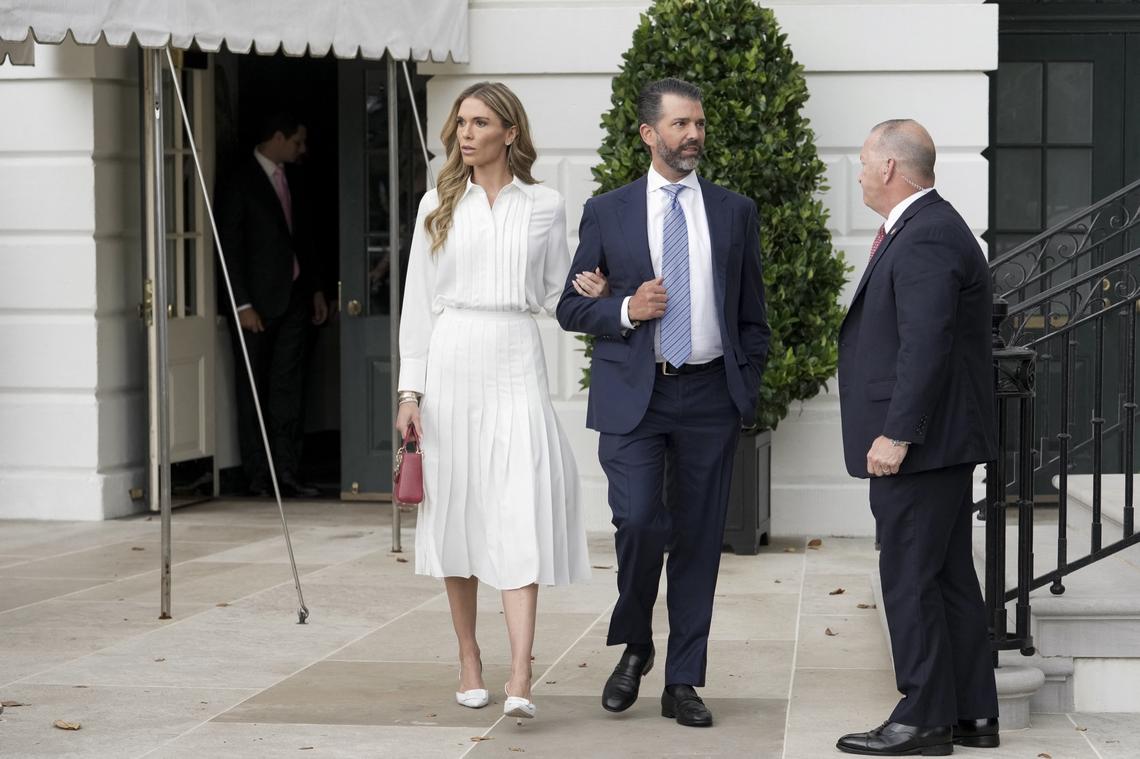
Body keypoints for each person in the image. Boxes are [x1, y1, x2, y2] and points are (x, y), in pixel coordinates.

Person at [556, 77, 770, 728]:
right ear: (650, 133)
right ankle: (637, 641)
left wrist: (746, 381)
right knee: (640, 521)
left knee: (701, 541)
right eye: (681, 125)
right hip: (635, 398)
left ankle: (683, 680)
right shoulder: (608, 211)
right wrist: (623, 306)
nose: (694, 135)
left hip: (709, 393)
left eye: (699, 124)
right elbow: (570, 305)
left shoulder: (735, 211)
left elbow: (753, 316)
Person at [395, 82, 591, 723]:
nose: (466, 133)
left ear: (511, 132)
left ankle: (522, 670)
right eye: (461, 123)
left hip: (514, 353)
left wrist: (592, 287)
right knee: (457, 509)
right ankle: (469, 659)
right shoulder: (436, 203)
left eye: (480, 122)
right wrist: (410, 390)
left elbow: (554, 292)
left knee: (518, 504)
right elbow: (417, 305)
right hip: (452, 358)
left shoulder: (545, 204)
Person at [835, 119, 1000, 756]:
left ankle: (923, 718)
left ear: (889, 168)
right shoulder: (927, 225)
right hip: (944, 443)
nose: (857, 173)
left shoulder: (926, 232)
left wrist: (897, 434)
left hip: (924, 445)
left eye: (863, 161)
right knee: (950, 575)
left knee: (908, 575)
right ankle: (971, 714)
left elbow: (925, 345)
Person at [218, 112, 330, 498]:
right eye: (297, 141)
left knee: (288, 390)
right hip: (256, 306)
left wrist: (316, 289)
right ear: (277, 136)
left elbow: (306, 237)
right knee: (253, 390)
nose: (302, 150)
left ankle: (287, 471)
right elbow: (228, 247)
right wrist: (242, 304)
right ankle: (258, 476)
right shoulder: (239, 179)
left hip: (295, 298)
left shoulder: (294, 178)